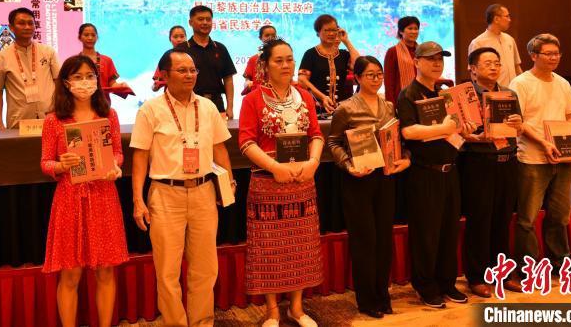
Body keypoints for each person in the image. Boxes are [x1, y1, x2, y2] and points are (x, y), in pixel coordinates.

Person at [131, 48, 235, 327]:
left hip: (204, 192)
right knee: (167, 271)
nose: (190, 75)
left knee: (205, 268)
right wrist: (138, 200)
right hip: (165, 194)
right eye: (182, 70)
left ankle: (203, 322)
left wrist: (229, 181)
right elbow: (140, 156)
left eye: (193, 70)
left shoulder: (208, 107)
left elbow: (219, 149)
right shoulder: (150, 110)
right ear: (164, 75)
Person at [238, 39, 325, 327]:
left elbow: (316, 135)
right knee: (269, 249)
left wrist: (313, 163)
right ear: (265, 65)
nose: (286, 65)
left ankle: (297, 308)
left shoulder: (305, 96)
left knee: (301, 247)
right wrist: (274, 167)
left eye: (289, 59)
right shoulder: (253, 99)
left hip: (302, 181)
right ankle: (273, 310)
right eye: (279, 60)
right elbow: (246, 142)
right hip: (268, 184)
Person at [40, 55, 128, 327]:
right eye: (77, 77)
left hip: (103, 196)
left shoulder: (108, 115)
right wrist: (60, 165)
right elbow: (45, 162)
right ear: (66, 82)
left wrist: (114, 165)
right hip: (69, 199)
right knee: (70, 275)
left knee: (106, 271)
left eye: (90, 76)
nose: (84, 82)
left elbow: (118, 152)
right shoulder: (54, 120)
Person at [327, 56, 411, 317]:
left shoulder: (388, 106)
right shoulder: (346, 108)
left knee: (384, 239)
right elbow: (333, 143)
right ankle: (367, 300)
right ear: (358, 78)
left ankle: (382, 295)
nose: (376, 79)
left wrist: (404, 158)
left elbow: (397, 138)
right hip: (358, 180)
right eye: (370, 75)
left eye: (379, 74)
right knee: (364, 241)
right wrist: (348, 165)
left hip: (385, 177)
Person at [396, 41, 474, 309]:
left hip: (450, 171)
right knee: (426, 233)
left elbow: (457, 128)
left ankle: (447, 283)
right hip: (424, 174)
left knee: (448, 231)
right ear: (416, 62)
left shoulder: (445, 93)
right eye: (430, 58)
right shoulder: (408, 94)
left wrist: (464, 128)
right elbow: (408, 132)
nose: (437, 63)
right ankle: (425, 286)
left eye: (440, 58)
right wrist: (444, 129)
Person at [509, 34, 571, 275]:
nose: (554, 58)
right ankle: (528, 268)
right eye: (548, 54)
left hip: (564, 158)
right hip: (532, 158)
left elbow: (569, 117)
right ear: (533, 55)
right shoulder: (520, 83)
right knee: (527, 218)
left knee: (560, 215)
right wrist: (543, 143)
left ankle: (560, 263)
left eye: (556, 54)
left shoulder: (562, 83)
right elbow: (518, 123)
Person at [460, 47, 524, 298]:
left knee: (502, 220)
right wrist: (474, 137)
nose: (494, 67)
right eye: (488, 63)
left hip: (507, 161)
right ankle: (476, 277)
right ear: (473, 69)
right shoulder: (465, 95)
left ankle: (503, 273)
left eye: (497, 63)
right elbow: (457, 133)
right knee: (479, 221)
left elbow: (518, 128)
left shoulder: (508, 94)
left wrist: (518, 125)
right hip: (479, 163)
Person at [0, 7, 60, 129]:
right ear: (11, 27)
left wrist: (59, 111)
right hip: (19, 122)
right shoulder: (1, 57)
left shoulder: (48, 52)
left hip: (49, 118)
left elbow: (59, 82)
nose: (27, 27)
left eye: (31, 23)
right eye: (21, 23)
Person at [177, 6, 237, 118]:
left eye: (208, 19)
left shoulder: (220, 48)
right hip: (189, 104)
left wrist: (230, 107)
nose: (205, 22)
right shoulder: (182, 49)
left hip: (217, 105)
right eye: (200, 19)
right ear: (190, 22)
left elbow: (228, 79)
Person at [298, 14, 359, 114]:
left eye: (334, 30)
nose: (331, 33)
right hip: (317, 108)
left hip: (342, 108)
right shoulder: (311, 54)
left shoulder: (343, 54)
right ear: (318, 32)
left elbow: (359, 66)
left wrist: (346, 41)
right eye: (327, 30)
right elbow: (302, 80)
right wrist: (323, 97)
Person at [468, 4, 522, 87]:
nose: (509, 20)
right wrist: (482, 92)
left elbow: (516, 66)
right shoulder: (478, 42)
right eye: (507, 16)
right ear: (496, 19)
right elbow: (473, 72)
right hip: (493, 91)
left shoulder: (510, 39)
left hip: (513, 90)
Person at [77, 23, 129, 93]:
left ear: (97, 37)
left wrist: (121, 85)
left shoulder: (107, 60)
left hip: (103, 99)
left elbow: (112, 83)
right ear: (79, 37)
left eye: (93, 35)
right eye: (86, 35)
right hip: (81, 99)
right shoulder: (74, 62)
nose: (90, 38)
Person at [383, 16, 420, 105]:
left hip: (422, 98)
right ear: (401, 31)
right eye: (410, 28)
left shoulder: (422, 51)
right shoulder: (393, 51)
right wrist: (391, 105)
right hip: (401, 101)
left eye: (416, 29)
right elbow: (388, 82)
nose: (414, 31)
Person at [242, 24, 277, 95]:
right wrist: (248, 84)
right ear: (260, 38)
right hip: (258, 95)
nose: (270, 38)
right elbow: (247, 80)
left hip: (278, 94)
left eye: (273, 36)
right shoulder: (253, 59)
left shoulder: (281, 58)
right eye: (267, 35)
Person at [153, 25, 188, 91]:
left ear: (186, 38)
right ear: (170, 39)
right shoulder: (166, 56)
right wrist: (156, 86)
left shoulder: (192, 54)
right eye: (175, 37)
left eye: (182, 36)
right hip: (171, 93)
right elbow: (155, 85)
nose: (179, 40)